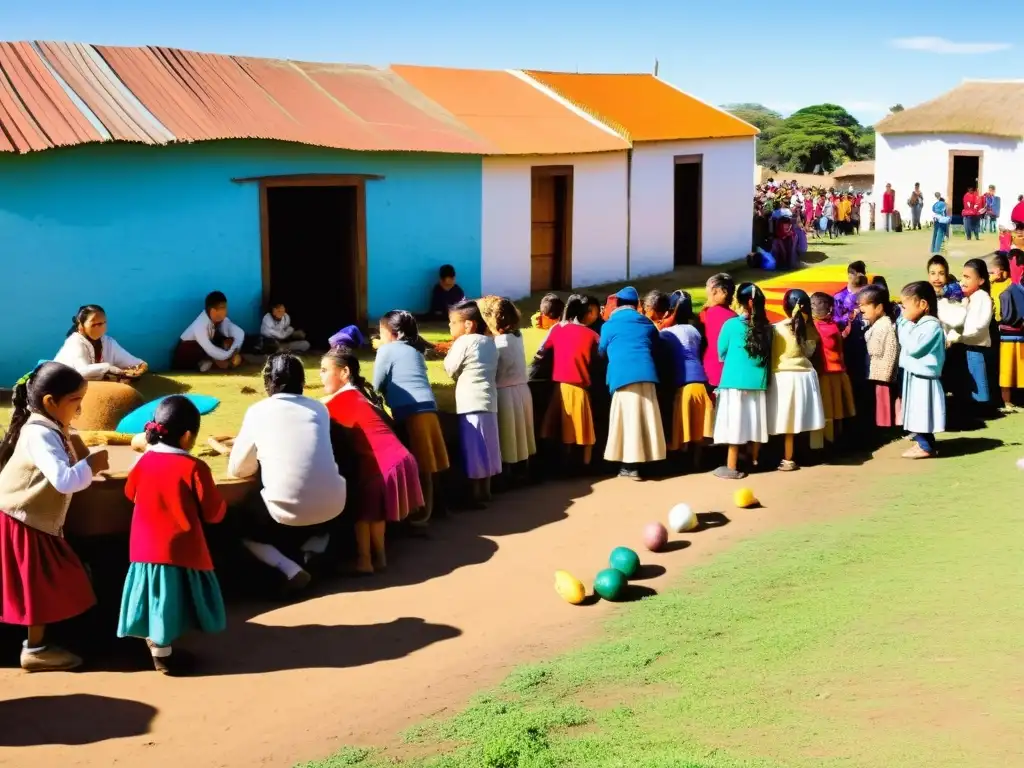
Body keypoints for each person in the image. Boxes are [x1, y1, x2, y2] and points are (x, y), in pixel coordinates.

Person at [0, 362, 108, 671]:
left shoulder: (50, 426)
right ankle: (35, 650)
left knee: (40, 584)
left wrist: (87, 457)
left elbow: (73, 446)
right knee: (40, 586)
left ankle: (37, 646)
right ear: (50, 402)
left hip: (32, 520)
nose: (80, 408)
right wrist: (93, 466)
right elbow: (64, 479)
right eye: (75, 401)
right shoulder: (39, 435)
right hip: (23, 520)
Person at [118, 395, 226, 675]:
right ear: (188, 436)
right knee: (172, 600)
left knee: (154, 599)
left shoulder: (144, 462)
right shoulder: (194, 468)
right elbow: (214, 512)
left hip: (143, 549)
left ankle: (157, 645)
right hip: (182, 549)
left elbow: (130, 493)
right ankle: (164, 656)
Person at [228, 354, 347, 593]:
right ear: (302, 382)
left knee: (235, 525)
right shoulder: (319, 409)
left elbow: (237, 469)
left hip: (284, 513)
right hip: (334, 507)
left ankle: (288, 568)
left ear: (267, 381)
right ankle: (313, 551)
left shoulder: (257, 411)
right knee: (330, 513)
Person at [321, 347, 423, 574]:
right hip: (398, 459)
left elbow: (313, 413)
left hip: (380, 462)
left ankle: (365, 561)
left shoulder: (341, 400)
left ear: (345, 372)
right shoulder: (359, 395)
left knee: (362, 515)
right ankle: (380, 557)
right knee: (373, 514)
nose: (321, 376)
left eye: (325, 370)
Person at [373, 310, 449, 524]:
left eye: (381, 331)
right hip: (428, 409)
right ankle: (429, 511)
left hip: (409, 411)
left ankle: (419, 515)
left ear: (392, 333)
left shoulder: (386, 351)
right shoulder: (415, 351)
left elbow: (378, 384)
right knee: (427, 463)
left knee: (417, 465)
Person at [598, 286, 666, 480]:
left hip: (622, 376)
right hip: (647, 374)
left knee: (628, 422)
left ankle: (630, 467)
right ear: (637, 305)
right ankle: (646, 463)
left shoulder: (609, 325)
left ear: (617, 304)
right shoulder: (646, 323)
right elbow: (657, 347)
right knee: (645, 420)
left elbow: (601, 352)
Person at [712, 283, 772, 479]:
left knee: (735, 426)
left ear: (740, 302)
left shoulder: (730, 325)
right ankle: (754, 460)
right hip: (758, 382)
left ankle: (731, 466)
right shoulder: (768, 327)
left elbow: (721, 352)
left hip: (734, 381)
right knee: (754, 422)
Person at [444, 300, 501, 504]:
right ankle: (486, 490)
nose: (450, 326)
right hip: (489, 401)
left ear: (468, 324)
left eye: (452, 323)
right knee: (488, 447)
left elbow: (450, 367)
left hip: (470, 402)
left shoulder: (464, 342)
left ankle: (475, 495)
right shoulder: (490, 342)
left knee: (474, 448)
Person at [539, 295, 601, 467]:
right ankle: (584, 464)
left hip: (559, 387)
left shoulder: (557, 328)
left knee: (561, 429)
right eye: (595, 311)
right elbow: (601, 358)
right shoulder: (593, 335)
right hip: (579, 388)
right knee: (585, 434)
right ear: (588, 312)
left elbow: (541, 351)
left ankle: (562, 463)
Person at [767, 289, 824, 471]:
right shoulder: (809, 329)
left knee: (787, 422)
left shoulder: (776, 329)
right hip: (805, 377)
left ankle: (787, 458)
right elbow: (809, 352)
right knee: (802, 420)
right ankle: (807, 455)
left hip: (783, 378)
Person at [479, 296, 536, 477]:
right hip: (521, 390)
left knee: (508, 438)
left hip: (505, 392)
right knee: (522, 434)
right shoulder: (517, 337)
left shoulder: (497, 343)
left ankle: (507, 475)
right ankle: (524, 471)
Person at [659, 291, 714, 468]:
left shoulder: (667, 333)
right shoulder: (696, 331)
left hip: (683, 384)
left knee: (682, 426)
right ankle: (697, 462)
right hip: (701, 382)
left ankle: (681, 464)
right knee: (699, 426)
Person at [897, 282, 946, 458]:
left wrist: (903, 324)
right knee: (916, 412)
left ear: (923, 304)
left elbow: (913, 347)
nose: (902, 311)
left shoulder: (931, 326)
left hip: (925, 378)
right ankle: (924, 444)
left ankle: (926, 447)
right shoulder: (918, 324)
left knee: (922, 413)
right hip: (915, 376)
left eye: (905, 307)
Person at [941, 259, 995, 417]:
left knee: (977, 382)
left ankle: (980, 410)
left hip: (975, 348)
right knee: (966, 382)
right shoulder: (966, 298)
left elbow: (978, 326)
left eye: (967, 277)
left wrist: (957, 336)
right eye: (962, 276)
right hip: (963, 346)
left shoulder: (982, 297)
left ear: (981, 280)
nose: (962, 281)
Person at [54, 304, 147, 381]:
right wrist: (108, 368)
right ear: (81, 327)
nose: (101, 327)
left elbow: (135, 362)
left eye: (103, 323)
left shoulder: (108, 342)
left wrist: (141, 367)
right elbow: (82, 371)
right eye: (95, 324)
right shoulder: (74, 342)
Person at [811, 293, 856, 444]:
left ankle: (826, 443)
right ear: (830, 309)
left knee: (828, 413)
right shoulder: (831, 326)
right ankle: (838, 442)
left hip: (826, 374)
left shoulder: (815, 326)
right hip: (836, 372)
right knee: (838, 411)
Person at [858, 285, 901, 434]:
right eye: (860, 304)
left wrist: (887, 374)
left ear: (879, 307)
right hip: (878, 372)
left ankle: (883, 430)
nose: (861, 308)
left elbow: (885, 350)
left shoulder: (884, 326)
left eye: (865, 305)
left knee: (882, 401)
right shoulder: (878, 324)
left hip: (881, 374)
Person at [174, 291, 245, 372]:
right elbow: (211, 350)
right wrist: (230, 354)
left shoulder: (221, 320)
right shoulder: (200, 325)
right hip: (187, 356)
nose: (225, 312)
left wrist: (234, 351)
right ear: (212, 310)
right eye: (221, 308)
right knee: (220, 363)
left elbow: (238, 333)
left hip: (206, 352)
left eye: (225, 308)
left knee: (230, 346)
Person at [699, 273, 738, 389]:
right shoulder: (735, 318)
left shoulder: (705, 315)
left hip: (708, 373)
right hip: (729, 374)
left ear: (715, 291)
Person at [996, 259, 1024, 410]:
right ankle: (1007, 402)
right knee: (1007, 371)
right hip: (1007, 337)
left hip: (1017, 336)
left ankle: (1013, 401)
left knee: (1018, 370)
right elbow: (1005, 316)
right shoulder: (1007, 291)